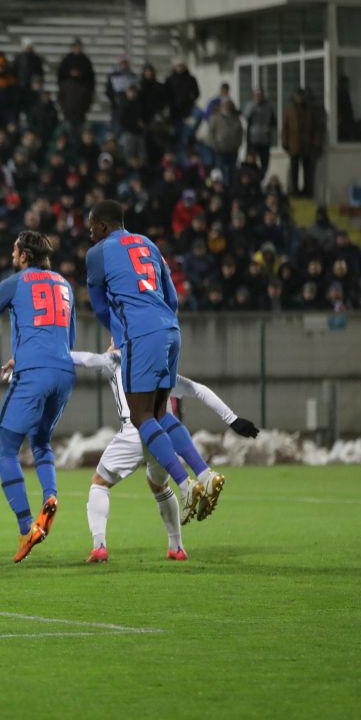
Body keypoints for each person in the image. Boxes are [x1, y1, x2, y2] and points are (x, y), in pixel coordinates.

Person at [85, 200, 225, 524]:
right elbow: (173, 297)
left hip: (140, 334)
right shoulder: (147, 243)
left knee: (141, 414)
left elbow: (100, 309)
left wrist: (120, 334)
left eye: (92, 227)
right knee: (162, 412)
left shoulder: (97, 254)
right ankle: (203, 474)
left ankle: (186, 484)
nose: (89, 233)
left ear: (103, 226)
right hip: (171, 330)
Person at [71, 346, 260, 563]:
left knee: (99, 483)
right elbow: (198, 389)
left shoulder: (114, 360)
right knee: (159, 486)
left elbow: (83, 358)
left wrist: (46, 354)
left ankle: (99, 547)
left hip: (134, 432)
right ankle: (177, 546)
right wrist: (232, 419)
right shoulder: (157, 365)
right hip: (163, 436)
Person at [0, 232, 74, 563]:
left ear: (24, 256)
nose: (12, 255)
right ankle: (50, 496)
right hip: (65, 372)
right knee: (41, 442)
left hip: (34, 374)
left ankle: (27, 526)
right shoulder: (65, 284)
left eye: (15, 251)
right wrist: (22, 355)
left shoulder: (13, 283)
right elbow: (68, 337)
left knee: (6, 449)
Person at [243, 88, 276, 174]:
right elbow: (245, 117)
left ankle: (259, 180)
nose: (258, 97)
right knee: (251, 162)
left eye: (260, 95)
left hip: (265, 140)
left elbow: (273, 122)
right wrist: (254, 106)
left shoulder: (268, 107)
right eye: (256, 95)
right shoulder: (250, 105)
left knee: (265, 165)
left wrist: (269, 129)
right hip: (253, 140)